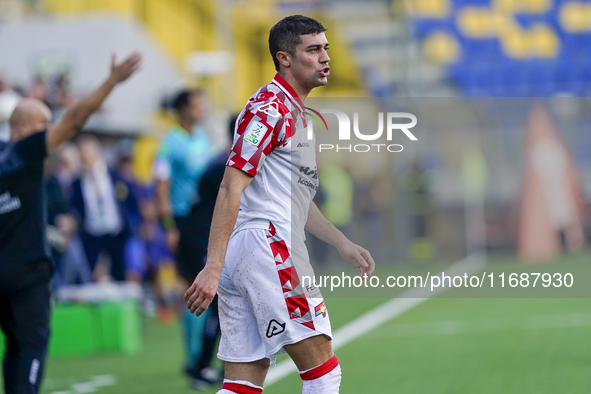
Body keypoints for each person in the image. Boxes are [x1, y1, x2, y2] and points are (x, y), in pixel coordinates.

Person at [184, 15, 375, 394]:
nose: (325, 58)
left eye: (326, 48)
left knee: (242, 384)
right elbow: (229, 187)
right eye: (313, 50)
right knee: (323, 369)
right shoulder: (268, 109)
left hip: (251, 251)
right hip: (267, 246)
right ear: (284, 58)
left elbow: (297, 199)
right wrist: (212, 266)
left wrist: (341, 243)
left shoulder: (296, 113)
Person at [0, 52, 141, 394]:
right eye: (43, 125)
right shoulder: (25, 152)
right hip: (28, 271)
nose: (50, 132)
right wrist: (110, 82)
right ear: (24, 129)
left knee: (15, 347)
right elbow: (74, 120)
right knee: (32, 344)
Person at [152, 89, 215, 378]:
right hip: (185, 224)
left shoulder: (202, 139)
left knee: (210, 286)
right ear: (182, 109)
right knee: (194, 286)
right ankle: (193, 359)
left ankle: (203, 357)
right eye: (196, 103)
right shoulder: (170, 144)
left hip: (206, 222)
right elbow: (161, 187)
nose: (201, 108)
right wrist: (169, 227)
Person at [70, 136, 132, 282]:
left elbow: (127, 199)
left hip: (115, 231)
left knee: (120, 271)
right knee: (89, 270)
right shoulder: (77, 183)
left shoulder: (114, 175)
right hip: (92, 232)